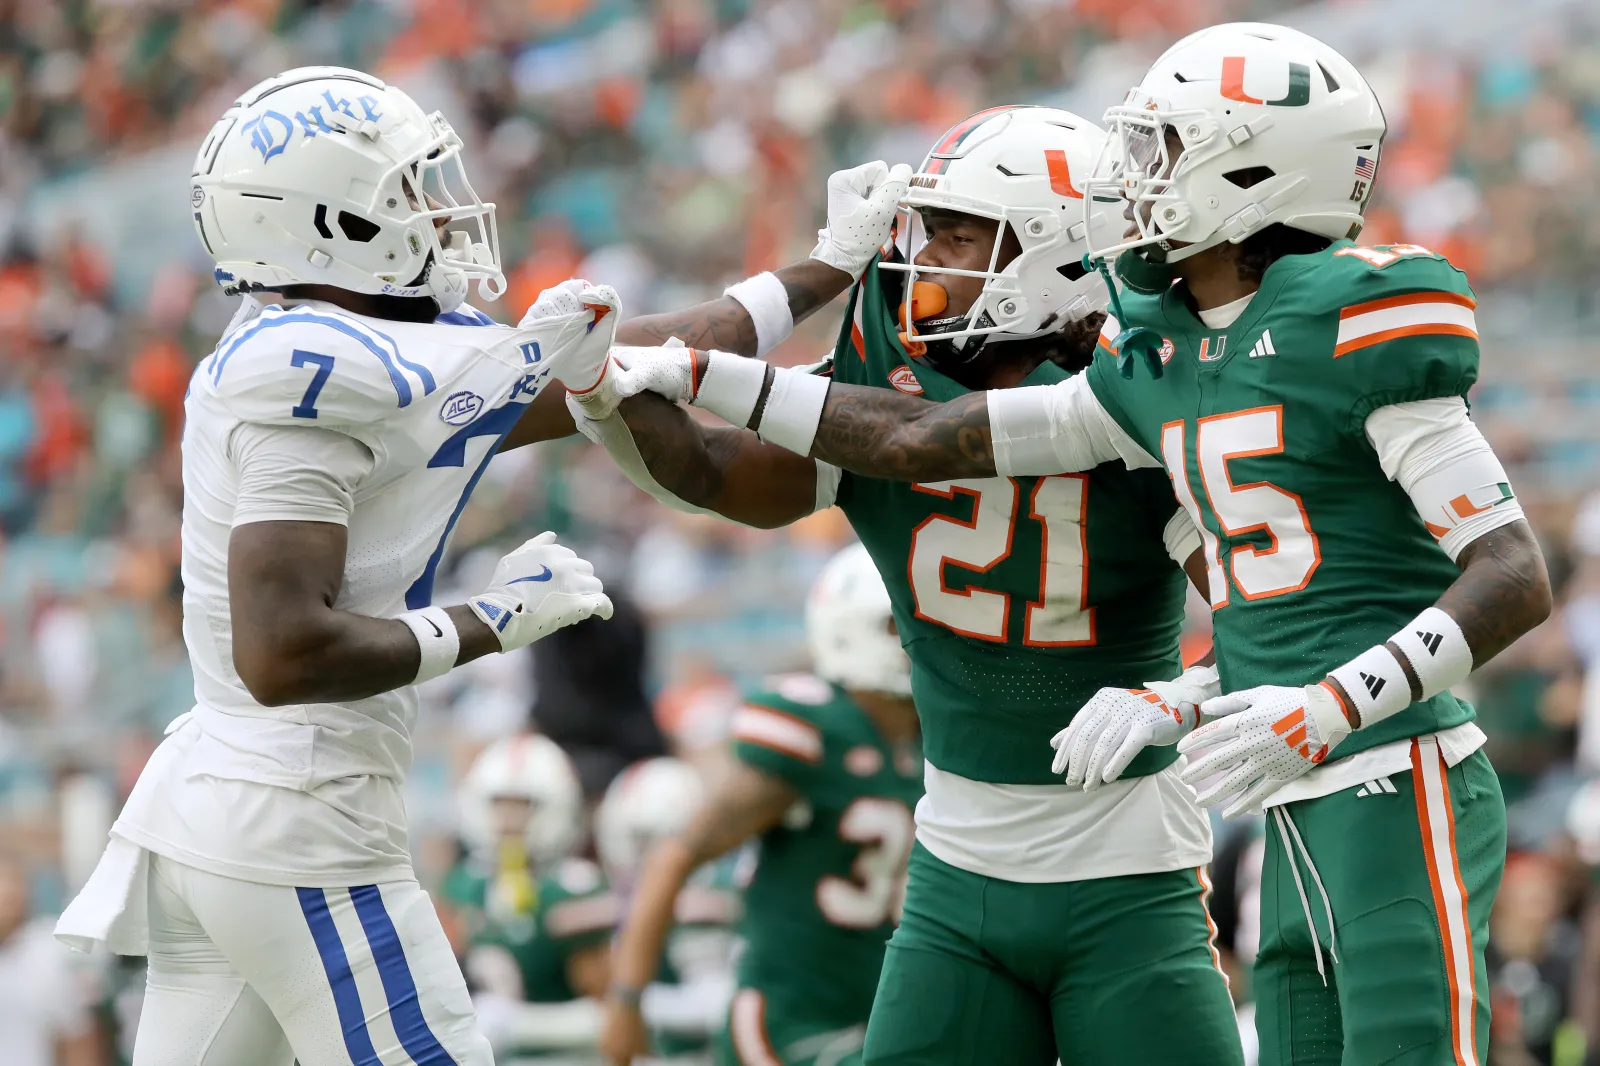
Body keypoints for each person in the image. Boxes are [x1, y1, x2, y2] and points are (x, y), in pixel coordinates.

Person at [593, 24, 1554, 1066]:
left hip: (1262, 817)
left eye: (964, 238)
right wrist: (640, 387)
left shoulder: (1261, 350)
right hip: (1097, 835)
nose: (925, 259)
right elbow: (857, 449)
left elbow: (1408, 591)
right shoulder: (1109, 360)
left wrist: (1248, 702)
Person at [566, 107, 1246, 1063]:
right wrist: (604, 398)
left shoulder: (1134, 396)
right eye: (927, 232)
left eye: (959, 236)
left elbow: (1272, 607)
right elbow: (719, 472)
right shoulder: (891, 379)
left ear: (1049, 252)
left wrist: (1184, 694)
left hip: (1126, 879)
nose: (923, 261)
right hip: (958, 874)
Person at [53, 65, 617, 1066]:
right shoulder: (314, 368)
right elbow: (285, 654)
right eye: (400, 189)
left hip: (218, 810)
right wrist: (497, 618)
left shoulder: (325, 338)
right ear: (329, 223)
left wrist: (806, 286)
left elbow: (597, 375)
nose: (432, 209)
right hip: (295, 811)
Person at [602, 544, 923, 1066]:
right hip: (786, 1027)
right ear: (845, 625)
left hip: (879, 1019)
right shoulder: (815, 728)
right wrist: (626, 999)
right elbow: (674, 856)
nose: (912, 640)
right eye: (893, 624)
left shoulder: (935, 738)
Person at [595, 758, 742, 1063]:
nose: (637, 852)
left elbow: (713, 1007)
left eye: (649, 839)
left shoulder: (705, 892)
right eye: (633, 838)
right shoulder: (604, 887)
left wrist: (627, 1006)